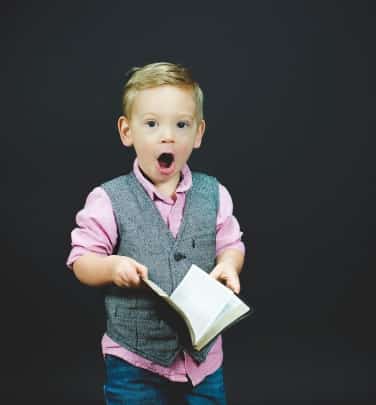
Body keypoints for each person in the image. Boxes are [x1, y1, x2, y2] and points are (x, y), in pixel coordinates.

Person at [66, 62, 245, 404]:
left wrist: (229, 264)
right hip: (134, 361)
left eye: (181, 124)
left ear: (198, 133)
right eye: (151, 124)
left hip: (202, 361)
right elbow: (81, 260)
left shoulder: (214, 193)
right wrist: (111, 267)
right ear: (126, 131)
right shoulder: (108, 199)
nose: (168, 136)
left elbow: (231, 243)